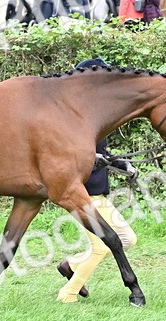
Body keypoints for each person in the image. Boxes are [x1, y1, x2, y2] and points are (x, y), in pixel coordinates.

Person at [56, 58, 139, 303]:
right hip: (82, 195)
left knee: (127, 239)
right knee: (102, 247)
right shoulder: (68, 118)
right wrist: (95, 159)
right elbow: (68, 156)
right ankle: (68, 294)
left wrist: (123, 165)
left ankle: (70, 265)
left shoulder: (93, 117)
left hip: (99, 194)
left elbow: (103, 153)